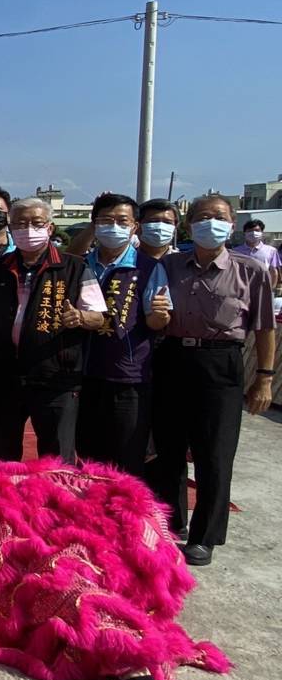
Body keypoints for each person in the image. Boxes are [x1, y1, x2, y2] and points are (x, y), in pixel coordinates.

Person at [149, 195, 276, 566]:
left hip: (220, 362)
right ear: (188, 225)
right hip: (172, 357)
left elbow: (264, 328)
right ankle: (172, 522)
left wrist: (264, 378)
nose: (210, 223)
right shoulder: (169, 266)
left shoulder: (250, 270)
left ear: (232, 222)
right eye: (202, 217)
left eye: (218, 216)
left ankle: (206, 536)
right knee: (167, 450)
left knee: (215, 454)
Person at [0, 197, 107, 464]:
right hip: (6, 375)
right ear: (10, 227)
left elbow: (99, 317)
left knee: (57, 456)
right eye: (20, 223)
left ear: (49, 228)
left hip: (55, 376)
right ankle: (2, 506)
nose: (28, 229)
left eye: (36, 223)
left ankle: (57, 505)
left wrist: (81, 317)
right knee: (1, 456)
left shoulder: (74, 267)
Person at [74, 194, 171, 476]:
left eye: (122, 221)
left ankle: (124, 517)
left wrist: (161, 316)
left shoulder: (150, 268)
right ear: (94, 225)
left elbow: (155, 321)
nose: (113, 226)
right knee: (87, 456)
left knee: (126, 456)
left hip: (128, 376)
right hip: (83, 373)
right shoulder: (81, 265)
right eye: (105, 220)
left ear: (134, 227)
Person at [233, 219, 280, 289]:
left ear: (262, 232)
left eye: (257, 230)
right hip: (241, 288)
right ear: (244, 233)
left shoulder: (271, 251)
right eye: (250, 231)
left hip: (263, 287)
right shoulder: (235, 251)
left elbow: (274, 272)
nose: (253, 233)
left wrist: (270, 289)